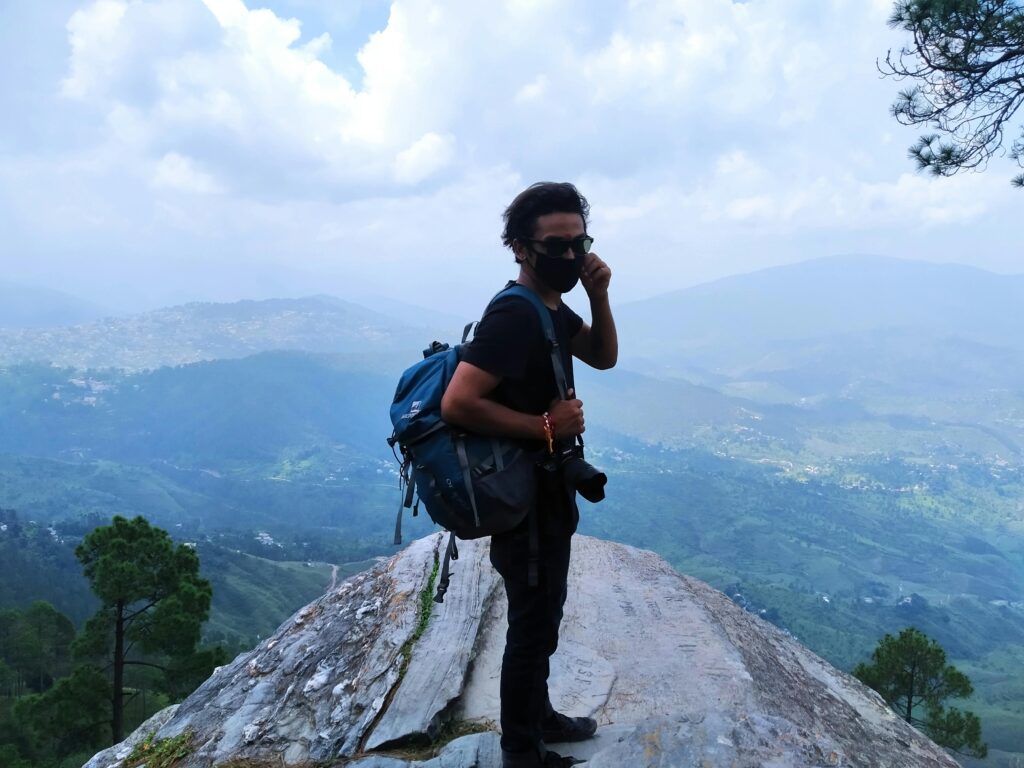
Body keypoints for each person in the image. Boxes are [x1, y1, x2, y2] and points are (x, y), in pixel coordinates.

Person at [440, 182, 617, 768]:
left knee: (543, 613)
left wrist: (598, 295)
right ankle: (521, 750)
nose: (569, 255)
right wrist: (545, 426)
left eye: (578, 243)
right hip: (522, 490)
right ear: (520, 247)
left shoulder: (549, 306)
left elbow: (602, 355)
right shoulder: (515, 314)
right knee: (531, 622)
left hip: (546, 487)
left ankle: (538, 717)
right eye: (555, 245)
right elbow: (458, 402)